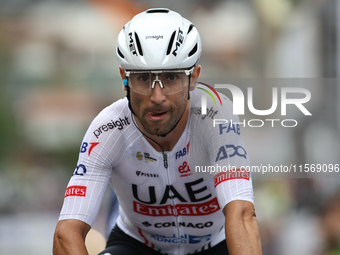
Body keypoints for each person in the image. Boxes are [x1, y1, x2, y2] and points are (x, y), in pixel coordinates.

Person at [53, 8, 262, 255]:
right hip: (138, 246)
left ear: (193, 78)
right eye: (143, 79)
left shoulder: (214, 114)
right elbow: (66, 233)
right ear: (124, 78)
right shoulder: (107, 129)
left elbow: (241, 213)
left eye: (172, 77)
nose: (157, 97)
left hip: (214, 246)